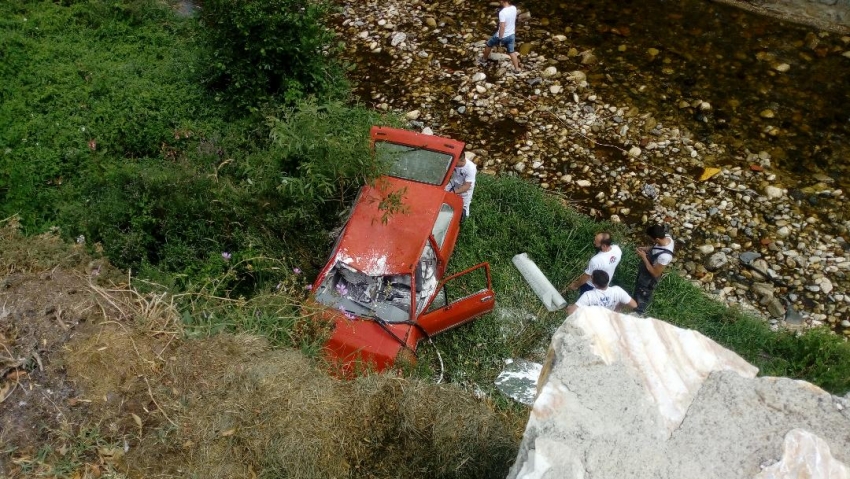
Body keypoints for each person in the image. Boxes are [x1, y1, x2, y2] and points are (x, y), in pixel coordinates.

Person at [633, 224, 675, 315]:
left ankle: (638, 313)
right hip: (644, 272)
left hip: (648, 280)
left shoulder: (665, 256)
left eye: (651, 239)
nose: (651, 240)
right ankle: (634, 303)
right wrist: (646, 249)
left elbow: (655, 273)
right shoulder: (667, 237)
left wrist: (644, 257)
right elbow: (656, 247)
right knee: (638, 288)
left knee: (642, 294)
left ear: (657, 239)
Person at [566, 232, 622, 296]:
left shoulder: (596, 260)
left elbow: (586, 277)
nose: (594, 243)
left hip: (590, 286)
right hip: (604, 285)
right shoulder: (617, 249)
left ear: (604, 246)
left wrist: (575, 285)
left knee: (584, 302)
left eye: (596, 242)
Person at [566, 270, 637, 315]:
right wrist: (619, 306)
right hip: (610, 321)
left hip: (593, 325)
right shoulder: (618, 291)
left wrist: (570, 308)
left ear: (594, 283)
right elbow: (634, 305)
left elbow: (571, 312)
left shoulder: (588, 296)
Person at [480, 0, 521, 71]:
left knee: (488, 44)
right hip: (511, 34)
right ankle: (517, 70)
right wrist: (514, 31)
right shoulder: (514, 8)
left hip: (503, 35)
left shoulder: (502, 12)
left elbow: (502, 26)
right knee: (511, 52)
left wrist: (500, 38)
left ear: (502, 1)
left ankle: (484, 60)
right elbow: (514, 20)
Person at [445, 153, 477, 221]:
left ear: (462, 160)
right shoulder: (453, 160)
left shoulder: (470, 168)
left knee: (463, 206)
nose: (453, 163)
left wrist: (453, 193)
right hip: (453, 183)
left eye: (456, 162)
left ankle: (464, 221)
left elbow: (466, 186)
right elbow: (447, 173)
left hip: (465, 189)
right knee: (443, 197)